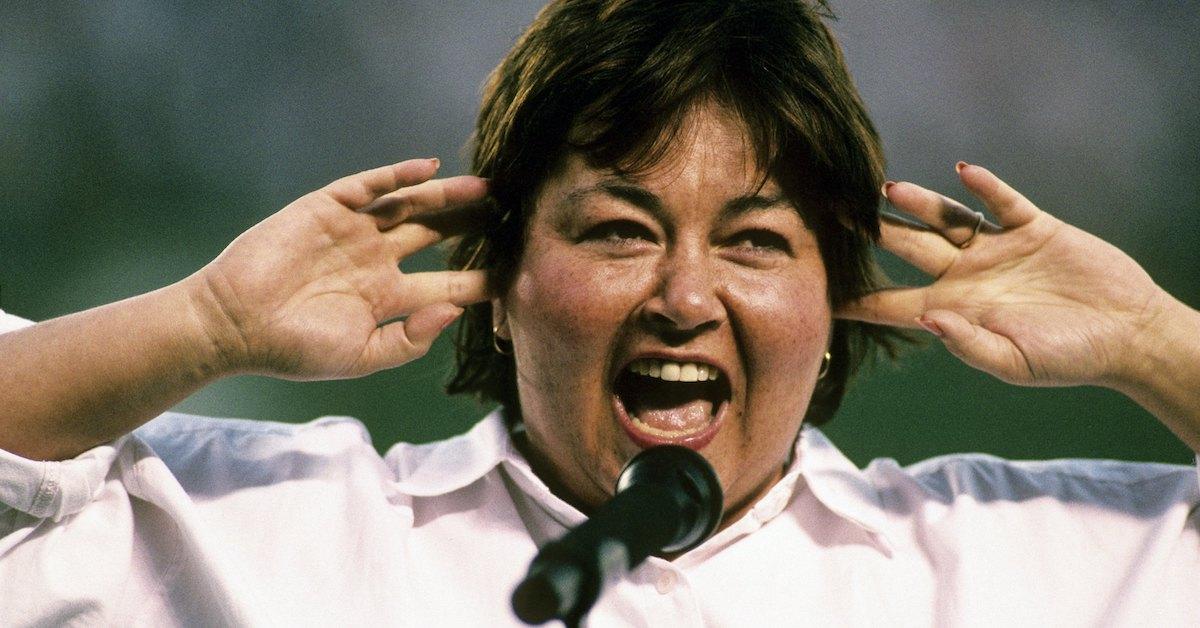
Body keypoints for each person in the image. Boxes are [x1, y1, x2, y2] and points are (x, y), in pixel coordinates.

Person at [2, 0, 1198, 625]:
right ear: (505, 284)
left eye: (756, 241)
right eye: (619, 230)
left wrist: (1154, 343)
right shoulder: (286, 532)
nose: (683, 296)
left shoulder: (1000, 565)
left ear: (837, 302)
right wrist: (207, 321)